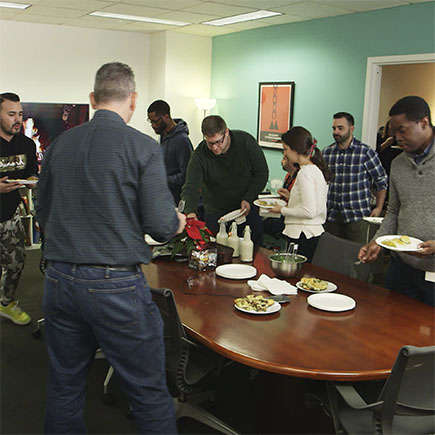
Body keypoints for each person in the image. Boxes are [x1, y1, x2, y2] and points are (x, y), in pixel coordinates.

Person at [35, 62, 186, 434]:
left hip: (59, 279)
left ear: (92, 99)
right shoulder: (143, 147)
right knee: (148, 391)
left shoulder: (58, 145)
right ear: (133, 100)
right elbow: (161, 225)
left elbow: (41, 208)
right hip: (114, 285)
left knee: (64, 385)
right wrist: (177, 222)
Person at [359, 96, 435, 306]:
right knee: (394, 329)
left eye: (402, 130)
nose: (397, 137)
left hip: (433, 275)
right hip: (401, 268)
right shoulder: (398, 163)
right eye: (394, 132)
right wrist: (377, 241)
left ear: (424, 122)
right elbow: (393, 211)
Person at [181, 115, 268, 245]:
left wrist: (249, 198)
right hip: (216, 213)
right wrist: (191, 212)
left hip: (246, 210)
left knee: (252, 253)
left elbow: (261, 173)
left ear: (226, 132)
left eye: (219, 142)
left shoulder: (245, 142)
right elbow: (190, 187)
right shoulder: (200, 155)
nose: (215, 148)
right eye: (210, 143)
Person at [0, 92, 38, 326]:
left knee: (16, 262)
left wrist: (32, 180)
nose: (17, 119)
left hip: (10, 212)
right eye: (11, 114)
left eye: (20, 114)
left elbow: (31, 173)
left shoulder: (26, 144)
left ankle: (6, 302)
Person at [322, 112, 388, 243]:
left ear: (351, 128)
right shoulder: (326, 153)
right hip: (332, 215)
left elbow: (381, 180)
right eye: (334, 128)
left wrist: (379, 207)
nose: (336, 132)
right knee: (331, 256)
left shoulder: (365, 152)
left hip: (357, 216)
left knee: (356, 256)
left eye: (340, 128)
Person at [269, 127, 332, 262]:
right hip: (312, 233)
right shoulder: (314, 169)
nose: (285, 154)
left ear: (295, 149)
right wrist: (292, 197)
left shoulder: (305, 173)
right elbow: (312, 202)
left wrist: (282, 210)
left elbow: (309, 211)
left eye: (285, 149)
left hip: (303, 233)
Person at [147, 100, 193, 204]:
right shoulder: (163, 136)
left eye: (155, 121)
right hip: (164, 195)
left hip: (176, 199)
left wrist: (161, 179)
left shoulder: (182, 141)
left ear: (166, 117)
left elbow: (186, 176)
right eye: (151, 122)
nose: (153, 125)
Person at [263, 153, 299, 239]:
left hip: (289, 217)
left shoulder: (299, 178)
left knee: (262, 224)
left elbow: (299, 203)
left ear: (291, 162)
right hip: (283, 212)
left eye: (283, 159)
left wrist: (290, 197)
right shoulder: (288, 176)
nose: (281, 161)